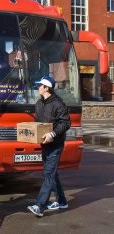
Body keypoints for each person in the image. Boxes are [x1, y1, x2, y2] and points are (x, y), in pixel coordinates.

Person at [27, 76, 71, 217]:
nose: (38, 87)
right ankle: (62, 201)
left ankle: (40, 206)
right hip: (44, 143)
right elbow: (37, 122)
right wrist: (32, 131)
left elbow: (65, 123)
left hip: (55, 144)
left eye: (40, 85)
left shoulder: (58, 104)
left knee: (48, 174)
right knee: (52, 173)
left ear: (47, 88)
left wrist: (52, 133)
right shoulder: (40, 103)